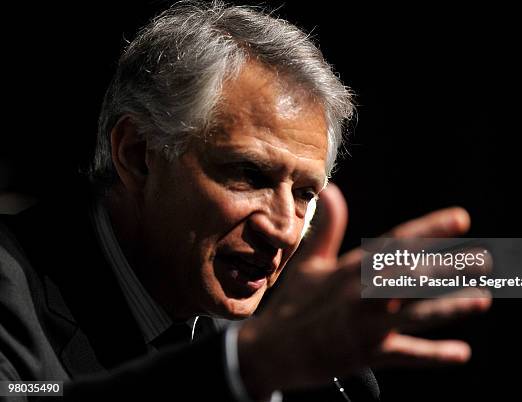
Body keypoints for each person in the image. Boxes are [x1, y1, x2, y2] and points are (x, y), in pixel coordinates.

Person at [0, 1, 491, 400]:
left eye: (304, 194)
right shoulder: (10, 288)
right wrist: (249, 367)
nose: (283, 227)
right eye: (250, 174)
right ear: (139, 155)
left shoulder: (305, 360)